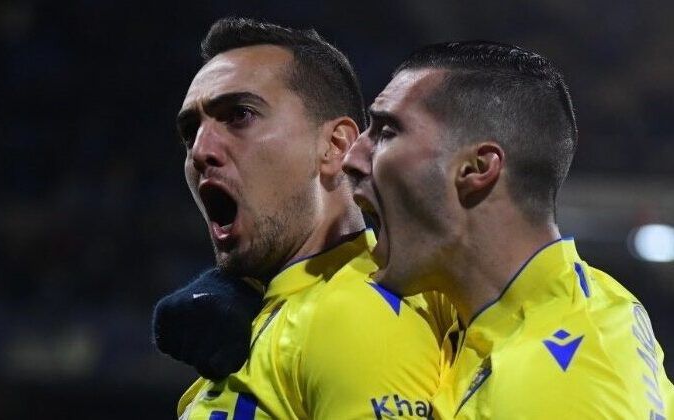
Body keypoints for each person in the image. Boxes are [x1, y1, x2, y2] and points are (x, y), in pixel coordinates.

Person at [342, 40, 674, 418]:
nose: (351, 157)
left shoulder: (552, 391)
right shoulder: (561, 303)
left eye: (386, 132)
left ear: (476, 169)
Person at [169, 18, 455, 419]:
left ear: (336, 145)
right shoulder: (275, 313)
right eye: (190, 131)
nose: (199, 151)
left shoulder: (356, 318)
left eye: (239, 115)